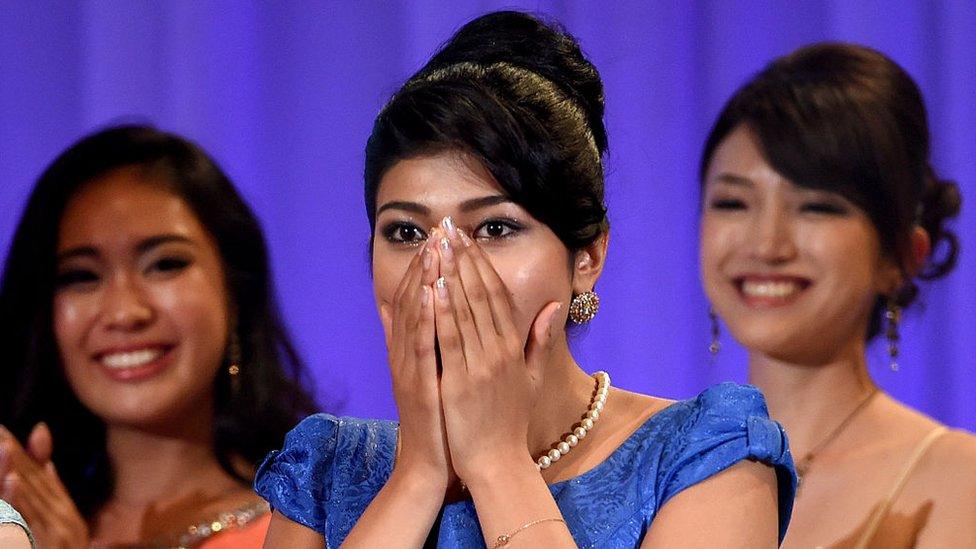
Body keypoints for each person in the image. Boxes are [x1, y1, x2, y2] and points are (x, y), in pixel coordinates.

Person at [257, 11, 796, 548]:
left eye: (495, 227)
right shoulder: (326, 473)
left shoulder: (705, 457)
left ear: (587, 254)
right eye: (405, 232)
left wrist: (497, 463)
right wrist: (419, 475)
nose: (443, 264)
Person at [698, 43, 976, 547]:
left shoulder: (959, 479)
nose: (766, 245)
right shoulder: (657, 460)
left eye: (817, 208)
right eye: (733, 202)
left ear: (901, 258)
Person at [0, 125, 319, 547]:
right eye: (81, 276)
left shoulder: (308, 526)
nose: (125, 312)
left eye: (164, 265)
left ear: (235, 288)